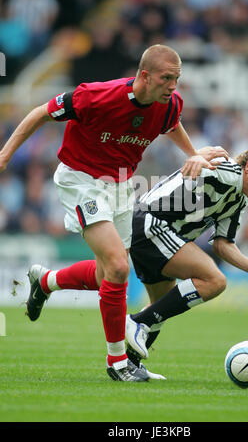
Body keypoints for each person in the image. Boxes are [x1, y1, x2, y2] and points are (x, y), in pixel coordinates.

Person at [0, 44, 228, 382]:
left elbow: (172, 123)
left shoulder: (169, 105)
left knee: (111, 272)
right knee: (119, 267)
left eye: (177, 79)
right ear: (145, 76)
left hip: (121, 186)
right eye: (167, 78)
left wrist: (193, 153)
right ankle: (118, 363)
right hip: (81, 180)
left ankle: (45, 281)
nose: (173, 86)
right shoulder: (96, 96)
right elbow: (40, 113)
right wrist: (4, 157)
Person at [123, 143, 248, 374]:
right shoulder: (228, 171)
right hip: (151, 223)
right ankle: (138, 321)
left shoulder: (239, 200)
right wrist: (198, 155)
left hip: (155, 232)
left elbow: (223, 244)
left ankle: (128, 366)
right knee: (214, 281)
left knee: (161, 305)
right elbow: (196, 165)